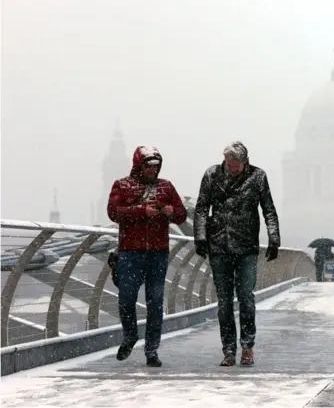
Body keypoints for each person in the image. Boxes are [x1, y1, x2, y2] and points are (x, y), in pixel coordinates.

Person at [193, 141, 280, 367]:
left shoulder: (258, 177)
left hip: (246, 248)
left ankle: (248, 347)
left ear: (245, 162)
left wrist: (274, 238)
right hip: (219, 246)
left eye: (236, 166)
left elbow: (268, 209)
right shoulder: (212, 175)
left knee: (246, 299)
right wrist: (200, 237)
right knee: (224, 302)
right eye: (229, 165)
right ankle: (229, 350)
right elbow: (202, 208)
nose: (231, 170)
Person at [107, 146, 187, 367]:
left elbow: (182, 216)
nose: (153, 170)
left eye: (156, 166)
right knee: (126, 299)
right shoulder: (122, 185)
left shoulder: (166, 187)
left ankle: (151, 350)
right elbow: (114, 213)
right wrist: (142, 211)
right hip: (130, 252)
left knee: (155, 303)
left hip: (158, 253)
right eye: (149, 166)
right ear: (139, 165)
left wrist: (171, 212)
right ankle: (130, 335)